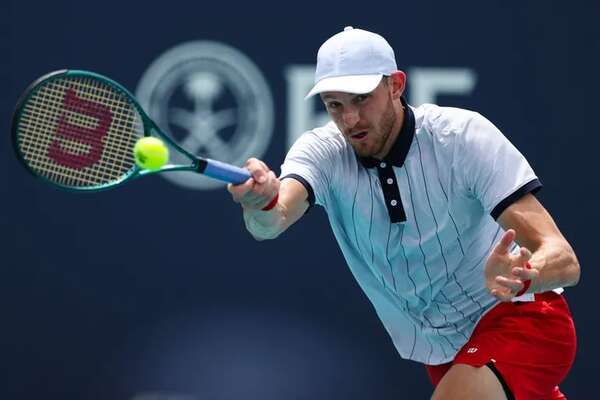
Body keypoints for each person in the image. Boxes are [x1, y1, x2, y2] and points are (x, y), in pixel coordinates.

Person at [227, 26, 579, 400]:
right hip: (443, 349)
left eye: (361, 99)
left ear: (396, 85)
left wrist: (523, 277)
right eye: (335, 105)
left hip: (522, 320)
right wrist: (260, 202)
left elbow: (565, 260)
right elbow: (273, 220)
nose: (350, 120)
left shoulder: (463, 137)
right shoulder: (321, 152)